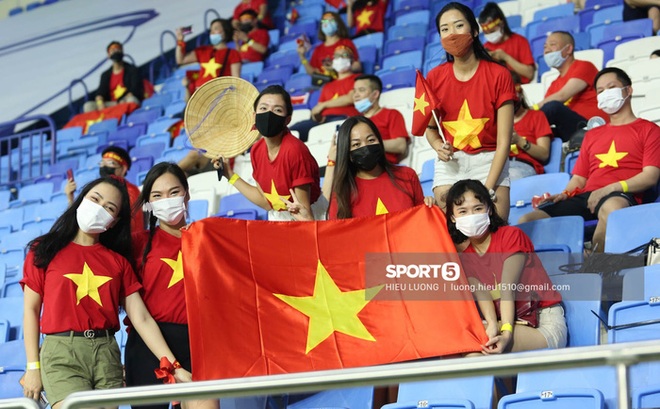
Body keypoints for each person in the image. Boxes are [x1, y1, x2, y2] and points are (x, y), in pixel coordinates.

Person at [21, 176, 192, 408]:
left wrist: (174, 366)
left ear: (113, 222)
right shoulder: (43, 249)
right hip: (61, 354)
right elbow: (31, 310)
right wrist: (33, 367)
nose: (99, 209)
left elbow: (141, 318)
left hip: (107, 353)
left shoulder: (118, 262)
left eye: (109, 208)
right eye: (95, 199)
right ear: (81, 200)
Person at [518, 67, 660, 252]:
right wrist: (565, 194)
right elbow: (579, 178)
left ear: (628, 90)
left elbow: (650, 176)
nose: (606, 93)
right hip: (588, 196)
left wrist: (610, 188)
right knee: (527, 221)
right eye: (600, 91)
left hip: (620, 194)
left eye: (612, 87)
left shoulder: (649, 130)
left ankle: (595, 269)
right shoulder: (592, 135)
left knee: (611, 208)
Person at [446, 179, 567, 353]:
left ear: (488, 208)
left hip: (543, 322)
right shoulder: (465, 259)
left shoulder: (511, 236)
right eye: (463, 211)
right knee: (461, 346)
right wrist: (493, 326)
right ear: (453, 218)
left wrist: (506, 334)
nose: (471, 216)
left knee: (478, 348)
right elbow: (484, 297)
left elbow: (507, 289)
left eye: (477, 208)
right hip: (506, 322)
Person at [425, 2, 515, 221]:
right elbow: (430, 129)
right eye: (445, 30)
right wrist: (439, 147)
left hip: (490, 161)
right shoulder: (434, 78)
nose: (452, 34)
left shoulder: (499, 75)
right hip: (451, 164)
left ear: (474, 31)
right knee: (454, 234)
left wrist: (488, 189)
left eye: (458, 26)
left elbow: (504, 142)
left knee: (495, 230)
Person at [124, 163, 192, 409]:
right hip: (146, 347)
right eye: (157, 195)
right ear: (149, 205)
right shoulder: (135, 243)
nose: (167, 200)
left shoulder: (209, 237)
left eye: (174, 192)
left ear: (187, 194)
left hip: (197, 342)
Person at [214, 85, 326, 221]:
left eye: (277, 110)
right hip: (279, 218)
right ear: (254, 116)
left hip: (311, 218)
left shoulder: (295, 151)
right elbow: (266, 202)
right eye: (263, 108)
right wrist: (230, 175)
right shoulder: (256, 150)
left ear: (287, 119)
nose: (269, 114)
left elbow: (305, 213)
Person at [304, 116, 431, 221]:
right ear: (347, 153)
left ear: (380, 143)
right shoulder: (341, 191)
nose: (365, 147)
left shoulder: (407, 175)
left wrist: (430, 205)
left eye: (371, 140)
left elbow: (422, 220)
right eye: (356, 144)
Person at [535, 31, 607, 142]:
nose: (547, 50)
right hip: (570, 132)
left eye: (552, 45)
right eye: (545, 47)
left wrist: (532, 110)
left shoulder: (584, 66)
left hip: (591, 127)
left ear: (568, 49)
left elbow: (562, 96)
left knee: (552, 107)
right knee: (542, 136)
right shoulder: (554, 84)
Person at [64, 146, 145, 232]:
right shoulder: (99, 187)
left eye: (110, 163)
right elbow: (83, 222)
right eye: (102, 163)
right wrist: (70, 198)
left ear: (123, 169)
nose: (104, 166)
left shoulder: (130, 191)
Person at [290, 46, 360, 142]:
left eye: (344, 55)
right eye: (337, 56)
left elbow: (350, 98)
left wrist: (324, 105)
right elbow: (317, 110)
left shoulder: (357, 79)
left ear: (352, 60)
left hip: (344, 117)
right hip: (322, 121)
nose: (340, 59)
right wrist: (317, 115)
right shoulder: (327, 86)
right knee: (293, 131)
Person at [176, 18, 241, 98]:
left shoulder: (232, 53)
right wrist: (180, 40)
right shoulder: (203, 50)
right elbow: (181, 60)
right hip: (199, 97)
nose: (212, 32)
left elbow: (236, 80)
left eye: (216, 29)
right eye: (211, 30)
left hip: (217, 97)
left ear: (225, 32)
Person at [352, 74, 409, 163]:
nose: (355, 95)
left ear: (375, 94)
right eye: (354, 91)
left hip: (384, 167)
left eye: (361, 90)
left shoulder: (391, 114)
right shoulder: (354, 120)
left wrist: (368, 144)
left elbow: (401, 146)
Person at [509, 72, 553, 181]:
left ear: (520, 92)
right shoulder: (496, 121)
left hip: (523, 166)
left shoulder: (536, 116)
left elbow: (544, 154)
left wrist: (518, 140)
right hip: (500, 167)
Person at [478, 3, 535, 84]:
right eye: (486, 33)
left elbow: (529, 74)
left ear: (501, 24)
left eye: (492, 31)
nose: (489, 35)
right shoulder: (485, 48)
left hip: (520, 88)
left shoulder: (520, 41)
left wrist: (506, 57)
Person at [84, 41, 143, 113]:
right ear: (108, 55)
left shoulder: (132, 70)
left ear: (122, 52)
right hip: (112, 104)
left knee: (131, 100)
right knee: (88, 106)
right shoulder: (105, 75)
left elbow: (135, 89)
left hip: (126, 101)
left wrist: (123, 100)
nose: (116, 52)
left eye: (118, 49)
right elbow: (100, 93)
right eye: (112, 50)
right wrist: (100, 103)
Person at [297, 12, 361, 77]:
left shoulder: (346, 43)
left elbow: (358, 66)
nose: (328, 24)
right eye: (325, 21)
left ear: (338, 24)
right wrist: (302, 57)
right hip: (326, 85)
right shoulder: (318, 50)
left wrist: (339, 68)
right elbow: (312, 73)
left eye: (332, 21)